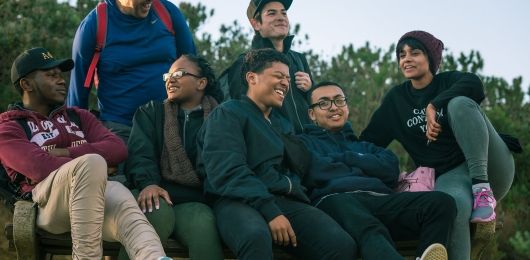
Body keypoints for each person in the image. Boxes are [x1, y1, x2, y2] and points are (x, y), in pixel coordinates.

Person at [0, 47, 170, 259]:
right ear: (27, 84)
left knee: (121, 199)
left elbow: (117, 149)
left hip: (92, 199)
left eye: (60, 75)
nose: (62, 81)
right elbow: (39, 168)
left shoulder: (78, 116)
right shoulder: (9, 126)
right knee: (92, 164)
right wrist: (95, 165)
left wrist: (65, 152)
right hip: (45, 205)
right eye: (51, 75)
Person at [360, 30, 515, 260]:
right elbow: (368, 142)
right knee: (450, 206)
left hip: (490, 165)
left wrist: (434, 105)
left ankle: (482, 191)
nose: (407, 59)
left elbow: (475, 85)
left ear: (430, 59)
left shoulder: (449, 81)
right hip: (451, 176)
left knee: (459, 104)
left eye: (415, 52)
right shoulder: (396, 101)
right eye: (401, 55)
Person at [197, 49, 355, 260]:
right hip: (235, 199)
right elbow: (227, 170)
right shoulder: (229, 113)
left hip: (283, 200)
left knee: (341, 245)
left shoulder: (283, 125)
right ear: (252, 78)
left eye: (287, 79)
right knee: (255, 236)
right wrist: (270, 211)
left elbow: (298, 168)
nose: (285, 83)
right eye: (278, 76)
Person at [298, 81, 456, 260]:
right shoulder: (303, 143)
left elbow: (390, 170)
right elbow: (315, 171)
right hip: (334, 201)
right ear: (312, 113)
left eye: (339, 100)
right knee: (367, 226)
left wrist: (348, 159)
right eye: (324, 103)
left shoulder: (365, 146)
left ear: (347, 107)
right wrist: (365, 166)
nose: (334, 107)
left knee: (441, 202)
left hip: (380, 200)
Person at [67, 0, 196, 145]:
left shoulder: (168, 13)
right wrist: (75, 138)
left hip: (171, 123)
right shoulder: (94, 26)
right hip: (120, 130)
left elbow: (194, 66)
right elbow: (79, 90)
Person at [123, 54, 224, 260]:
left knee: (202, 225)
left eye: (179, 73)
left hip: (199, 200)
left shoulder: (222, 117)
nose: (171, 79)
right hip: (155, 192)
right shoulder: (151, 112)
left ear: (201, 82)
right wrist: (148, 183)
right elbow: (140, 156)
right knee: (154, 215)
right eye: (167, 75)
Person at [221, 0, 313, 133]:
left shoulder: (299, 59)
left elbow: (318, 106)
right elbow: (242, 112)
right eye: (272, 13)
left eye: (284, 13)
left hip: (310, 145)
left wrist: (310, 91)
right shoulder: (244, 63)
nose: (281, 18)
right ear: (256, 24)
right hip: (277, 146)